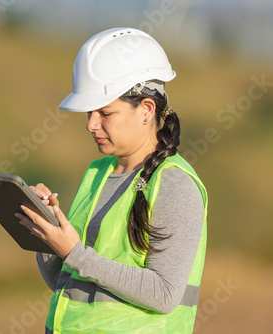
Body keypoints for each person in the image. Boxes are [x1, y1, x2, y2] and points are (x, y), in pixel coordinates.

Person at [14, 27, 208, 333]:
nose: (92, 124)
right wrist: (48, 234)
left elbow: (164, 294)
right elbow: (65, 281)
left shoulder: (175, 184)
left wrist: (74, 253)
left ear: (146, 110)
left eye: (105, 112)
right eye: (90, 112)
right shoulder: (97, 172)